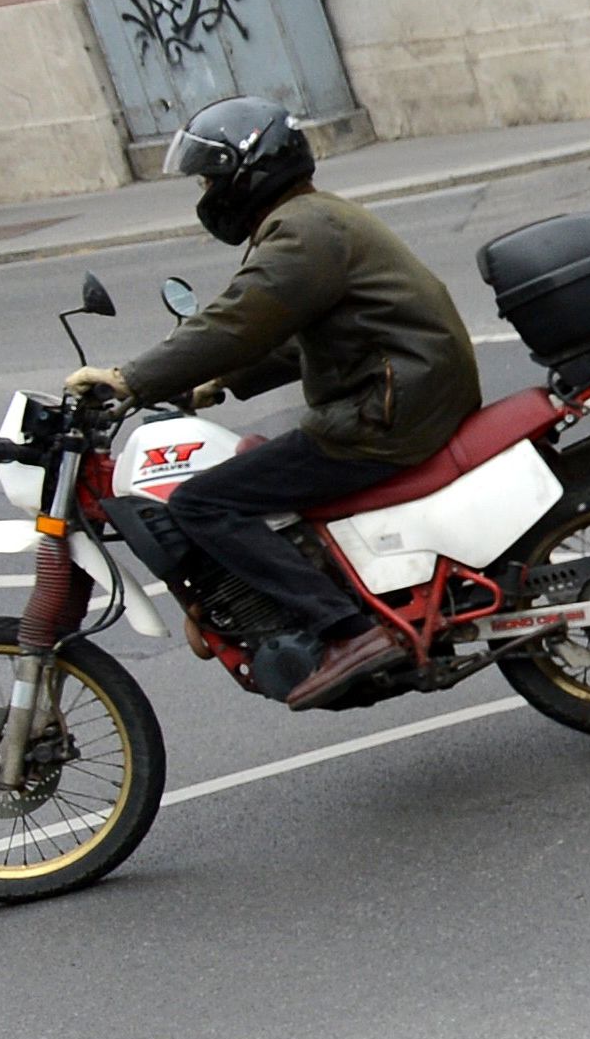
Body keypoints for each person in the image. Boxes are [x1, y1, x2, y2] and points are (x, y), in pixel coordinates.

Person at [64, 96, 483, 709]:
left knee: (203, 501)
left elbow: (235, 323)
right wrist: (217, 384)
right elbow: (301, 334)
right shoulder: (311, 220)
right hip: (403, 392)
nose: (205, 190)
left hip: (387, 412)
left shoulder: (301, 232)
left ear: (247, 172)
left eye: (209, 177)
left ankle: (348, 631)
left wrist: (129, 379)